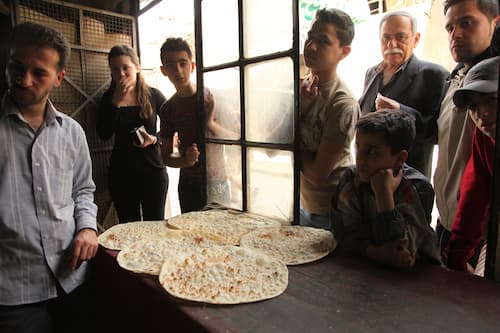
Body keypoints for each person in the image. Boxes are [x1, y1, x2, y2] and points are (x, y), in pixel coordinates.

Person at [0, 22, 98, 333]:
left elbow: (83, 190)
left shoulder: (72, 132)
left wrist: (87, 228)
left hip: (72, 277)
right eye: (17, 66)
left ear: (58, 78)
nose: (23, 79)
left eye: (39, 72)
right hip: (14, 291)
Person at [331, 110, 441, 269]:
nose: (360, 159)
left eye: (372, 151)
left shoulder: (417, 188)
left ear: (400, 158)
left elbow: (401, 251)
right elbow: (341, 233)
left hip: (417, 278)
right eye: (358, 147)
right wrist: (375, 252)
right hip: (365, 269)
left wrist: (384, 195)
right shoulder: (351, 179)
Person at [434, 0, 499, 259]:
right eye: (450, 28)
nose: (456, 34)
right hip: (452, 221)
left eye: (467, 23)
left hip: (483, 237)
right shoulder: (456, 79)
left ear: (495, 23)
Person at [358, 10, 449, 179]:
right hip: (367, 180)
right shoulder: (372, 73)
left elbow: (437, 133)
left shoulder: (433, 75)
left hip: (407, 185)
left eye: (401, 37)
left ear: (416, 39)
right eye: (386, 38)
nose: (392, 44)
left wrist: (401, 111)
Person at [300, 8, 360, 229]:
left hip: (330, 212)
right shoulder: (301, 87)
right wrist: (302, 109)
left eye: (323, 41)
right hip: (301, 203)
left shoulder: (342, 104)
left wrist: (291, 132)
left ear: (344, 52)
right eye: (310, 37)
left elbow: (317, 174)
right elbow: (270, 145)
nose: (311, 46)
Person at [159, 37, 233, 213]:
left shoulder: (211, 97)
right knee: (192, 237)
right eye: (170, 65)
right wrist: (185, 160)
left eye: (182, 63)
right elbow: (165, 156)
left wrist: (210, 124)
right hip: (188, 183)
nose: (178, 70)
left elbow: (236, 138)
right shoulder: (167, 109)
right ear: (163, 70)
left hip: (217, 180)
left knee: (223, 236)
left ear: (192, 66)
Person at [97, 45, 168, 223]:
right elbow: (103, 134)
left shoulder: (154, 95)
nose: (121, 74)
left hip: (153, 171)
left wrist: (153, 139)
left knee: (156, 225)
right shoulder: (108, 98)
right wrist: (117, 103)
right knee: (128, 227)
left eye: (125, 68)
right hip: (122, 173)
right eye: (115, 69)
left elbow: (172, 131)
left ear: (137, 67)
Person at [444, 56, 499, 274]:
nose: (482, 114)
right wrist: (456, 259)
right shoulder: (484, 138)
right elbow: (473, 195)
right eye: (474, 106)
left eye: (493, 100)